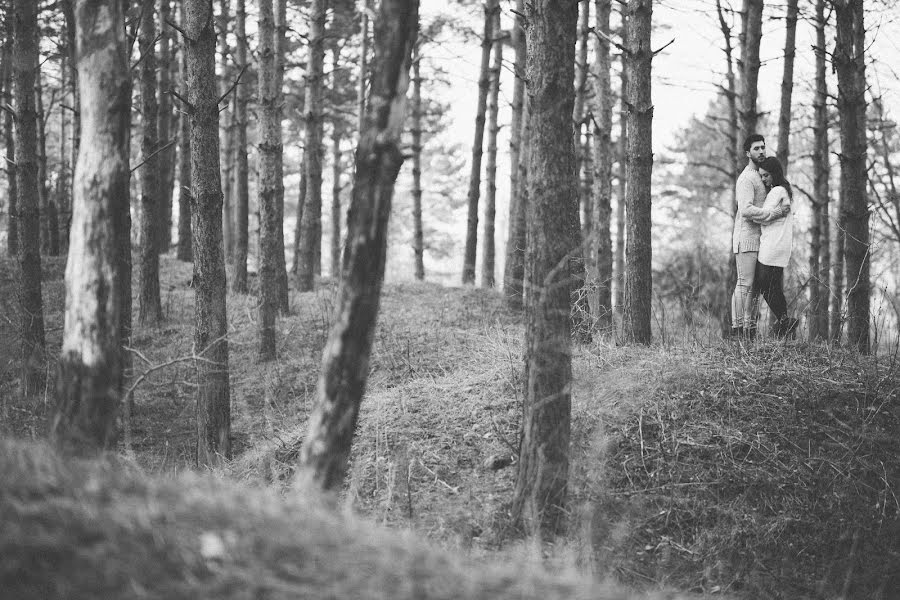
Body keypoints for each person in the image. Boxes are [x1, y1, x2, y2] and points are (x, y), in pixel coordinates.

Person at [731, 134, 788, 339]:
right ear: (748, 153)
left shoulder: (762, 175)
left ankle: (750, 330)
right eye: (756, 148)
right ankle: (737, 330)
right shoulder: (746, 178)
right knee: (744, 284)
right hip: (746, 239)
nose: (761, 151)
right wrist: (772, 215)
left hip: (760, 240)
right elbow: (745, 210)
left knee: (756, 287)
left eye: (763, 147)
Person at [751, 156, 799, 338]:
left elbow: (760, 216)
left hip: (772, 243)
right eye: (761, 176)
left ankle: (785, 320)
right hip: (782, 244)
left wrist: (754, 213)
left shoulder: (777, 191)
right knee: (774, 286)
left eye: (766, 175)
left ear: (774, 174)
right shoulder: (786, 191)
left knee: (764, 284)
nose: (763, 179)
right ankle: (786, 323)